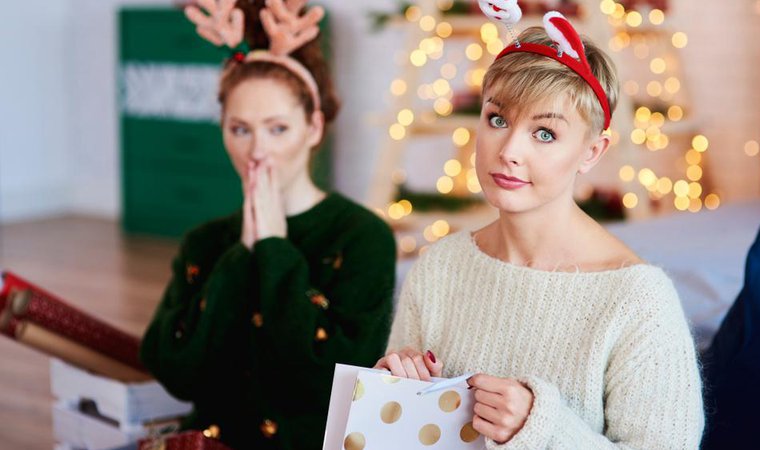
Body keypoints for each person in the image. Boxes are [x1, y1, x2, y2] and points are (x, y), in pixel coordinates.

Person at [376, 11, 704, 449]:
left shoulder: (637, 302)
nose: (510, 150)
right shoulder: (438, 268)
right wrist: (389, 400)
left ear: (592, 151)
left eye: (545, 133)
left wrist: (542, 429)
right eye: (497, 119)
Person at [140, 1, 396, 448]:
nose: (257, 150)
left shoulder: (362, 237)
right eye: (240, 129)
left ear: (314, 127)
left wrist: (275, 249)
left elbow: (329, 384)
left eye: (277, 129)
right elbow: (176, 370)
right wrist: (242, 256)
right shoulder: (205, 242)